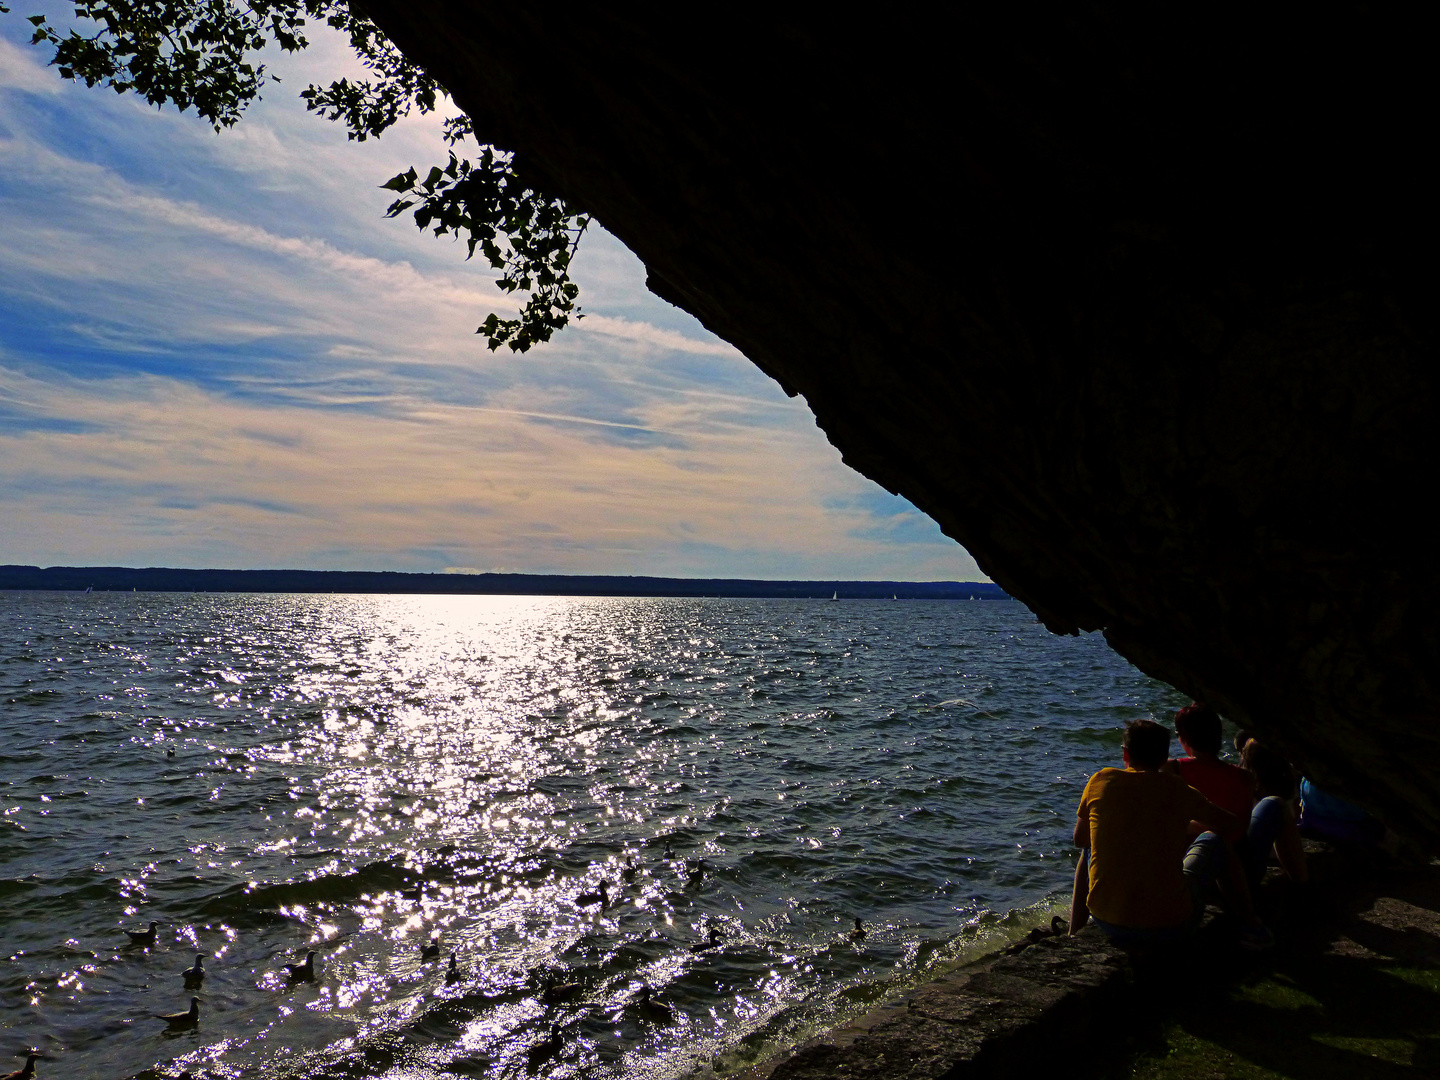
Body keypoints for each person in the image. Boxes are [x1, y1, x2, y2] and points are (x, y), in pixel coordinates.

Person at [1071, 719, 1271, 948]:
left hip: (1107, 920)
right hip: (1171, 924)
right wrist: (1180, 825)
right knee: (1215, 842)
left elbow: (1080, 839)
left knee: (1088, 848)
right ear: (1164, 757)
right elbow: (1233, 825)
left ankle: (1074, 932)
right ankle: (1252, 925)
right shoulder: (1177, 788)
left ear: (1125, 754)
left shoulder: (1101, 780)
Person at [1238, 740, 1309, 888]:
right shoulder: (1288, 783)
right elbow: (1296, 816)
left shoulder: (1244, 785)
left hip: (1261, 850)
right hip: (1285, 850)